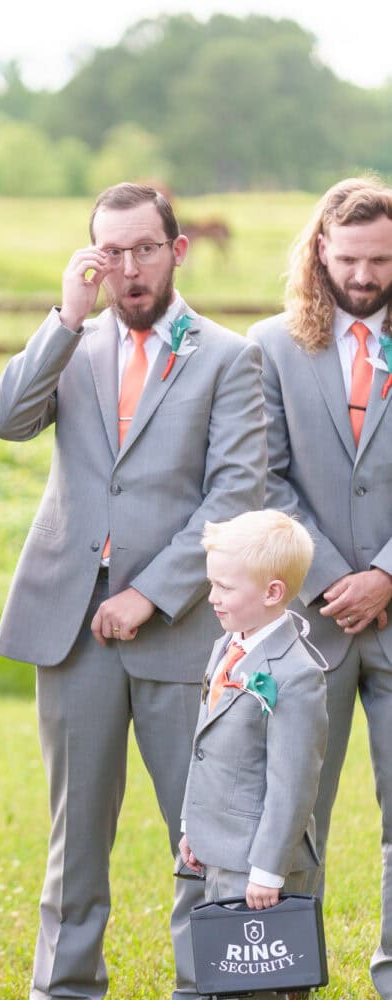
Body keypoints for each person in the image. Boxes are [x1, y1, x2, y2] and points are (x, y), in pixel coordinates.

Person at [0, 182, 265, 1000]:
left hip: (180, 626)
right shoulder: (74, 343)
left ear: (177, 251)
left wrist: (148, 594)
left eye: (145, 249)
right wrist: (65, 319)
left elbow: (236, 493)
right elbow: (5, 419)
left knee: (200, 832)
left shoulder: (228, 356)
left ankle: (210, 986)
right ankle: (65, 988)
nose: (130, 268)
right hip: (69, 625)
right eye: (113, 252)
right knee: (75, 837)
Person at [248, 176, 392, 996]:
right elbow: (263, 478)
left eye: (381, 261)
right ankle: (285, 978)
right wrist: (343, 580)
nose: (366, 277)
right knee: (296, 808)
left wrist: (387, 574)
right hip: (312, 619)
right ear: (319, 253)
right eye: (350, 259)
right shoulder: (269, 345)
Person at [179, 510, 327, 1000]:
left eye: (224, 587)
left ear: (272, 593)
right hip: (220, 849)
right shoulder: (227, 645)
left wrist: (268, 870)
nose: (213, 597)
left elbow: (293, 784)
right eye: (211, 583)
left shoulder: (296, 674)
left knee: (267, 983)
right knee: (229, 983)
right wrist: (190, 827)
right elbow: (206, 750)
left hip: (262, 863)